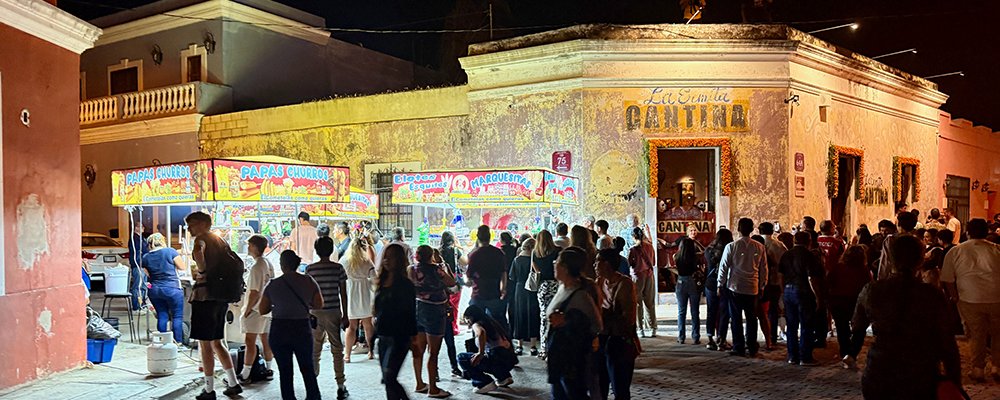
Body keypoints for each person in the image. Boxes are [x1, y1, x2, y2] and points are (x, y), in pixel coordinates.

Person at [847, 235, 961, 398]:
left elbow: (857, 325)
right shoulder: (931, 295)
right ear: (920, 260)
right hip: (921, 372)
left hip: (881, 369)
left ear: (890, 258)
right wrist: (954, 380)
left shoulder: (872, 290)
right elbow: (947, 342)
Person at [186, 212, 243, 399]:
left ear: (203, 224)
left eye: (192, 224)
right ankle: (233, 383)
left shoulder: (201, 239)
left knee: (205, 345)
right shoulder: (220, 241)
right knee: (218, 342)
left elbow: (198, 253)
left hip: (205, 297)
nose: (189, 229)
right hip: (221, 296)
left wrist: (201, 270)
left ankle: (209, 389)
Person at [260, 250, 324, 400]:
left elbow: (263, 309)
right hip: (301, 328)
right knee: (307, 367)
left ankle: (289, 398)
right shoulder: (309, 281)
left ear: (282, 265)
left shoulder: (273, 284)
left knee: (285, 370)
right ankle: (313, 396)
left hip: (279, 329)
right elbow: (319, 304)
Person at [942, 218, 1000, 381]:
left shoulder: (956, 251)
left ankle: (978, 369)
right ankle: (997, 367)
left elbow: (948, 278)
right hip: (997, 297)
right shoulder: (996, 250)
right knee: (998, 333)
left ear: (967, 232)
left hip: (969, 297)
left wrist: (955, 296)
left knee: (976, 334)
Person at [546, 247, 602, 400]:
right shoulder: (562, 288)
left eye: (556, 262)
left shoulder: (580, 294)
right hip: (559, 356)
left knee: (573, 394)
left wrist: (567, 321)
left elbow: (596, 325)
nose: (553, 264)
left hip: (572, 359)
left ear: (564, 267)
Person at [304, 237, 350, 399]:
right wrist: (346, 315)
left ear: (316, 250)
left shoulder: (310, 269)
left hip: (315, 313)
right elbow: (343, 293)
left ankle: (313, 385)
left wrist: (307, 312)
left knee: (315, 349)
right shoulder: (338, 268)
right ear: (332, 250)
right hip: (333, 312)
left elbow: (307, 293)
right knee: (337, 349)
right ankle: (340, 385)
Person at [409, 245, 456, 398]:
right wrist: (443, 267)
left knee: (418, 350)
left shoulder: (411, 269)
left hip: (417, 308)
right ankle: (433, 388)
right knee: (433, 352)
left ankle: (419, 383)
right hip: (435, 310)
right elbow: (451, 282)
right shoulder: (437, 270)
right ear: (431, 256)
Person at [717, 217, 767, 357]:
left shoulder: (731, 246)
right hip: (752, 287)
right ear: (752, 230)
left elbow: (724, 267)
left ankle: (738, 346)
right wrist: (762, 284)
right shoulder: (759, 247)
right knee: (752, 318)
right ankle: (752, 346)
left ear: (738, 229)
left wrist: (720, 284)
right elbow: (764, 269)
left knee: (736, 318)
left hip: (735, 286)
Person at [373, 244, 416, 400]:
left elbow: (410, 312)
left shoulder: (405, 285)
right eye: (385, 256)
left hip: (399, 338)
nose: (386, 260)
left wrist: (414, 339)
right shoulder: (382, 282)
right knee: (387, 380)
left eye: (391, 257)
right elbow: (377, 309)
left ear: (399, 260)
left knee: (390, 377)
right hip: (383, 336)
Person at [595, 248, 639, 400]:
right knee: (600, 385)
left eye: (597, 261)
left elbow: (627, 319)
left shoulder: (624, 284)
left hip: (619, 341)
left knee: (619, 387)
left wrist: (602, 313)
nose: (595, 265)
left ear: (606, 264)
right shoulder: (600, 281)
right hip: (602, 338)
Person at [778, 231, 825, 366]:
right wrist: (817, 296)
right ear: (809, 241)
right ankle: (805, 356)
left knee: (791, 325)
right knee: (806, 324)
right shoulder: (809, 255)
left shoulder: (786, 254)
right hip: (804, 291)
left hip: (788, 290)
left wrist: (783, 292)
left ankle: (792, 356)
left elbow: (780, 275)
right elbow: (811, 278)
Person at [457, 305, 517, 394]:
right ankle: (503, 377)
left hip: (497, 359)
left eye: (467, 319)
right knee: (488, 355)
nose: (467, 322)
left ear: (472, 317)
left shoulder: (477, 324)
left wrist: (480, 353)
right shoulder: (491, 322)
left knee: (462, 357)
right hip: (508, 361)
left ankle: (483, 383)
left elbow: (481, 333)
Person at [827, 245, 871, 366]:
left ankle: (844, 353)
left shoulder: (838, 268)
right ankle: (852, 354)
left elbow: (829, 282)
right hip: (855, 302)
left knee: (842, 329)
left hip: (838, 302)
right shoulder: (863, 270)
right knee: (859, 329)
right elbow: (867, 286)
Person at [239, 235, 274, 383]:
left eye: (249, 245)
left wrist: (246, 310)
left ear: (254, 246)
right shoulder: (267, 263)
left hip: (255, 310)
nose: (248, 247)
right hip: (267, 309)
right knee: (265, 340)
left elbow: (254, 292)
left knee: (250, 341)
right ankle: (268, 369)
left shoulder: (256, 267)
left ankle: (245, 374)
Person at [141, 233, 186, 345]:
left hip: (155, 290)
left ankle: (162, 341)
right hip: (172, 288)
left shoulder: (145, 257)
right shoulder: (170, 251)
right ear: (162, 241)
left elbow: (148, 274)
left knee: (162, 314)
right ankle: (178, 341)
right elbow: (182, 267)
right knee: (177, 316)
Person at [466, 225, 509, 332]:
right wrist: (503, 288)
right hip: (494, 292)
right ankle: (501, 345)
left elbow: (469, 276)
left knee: (477, 324)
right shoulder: (498, 253)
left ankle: (479, 346)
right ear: (490, 237)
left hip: (478, 292)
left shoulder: (474, 254)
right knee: (498, 323)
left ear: (478, 237)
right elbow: (503, 273)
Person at [341, 235, 376, 364]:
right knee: (368, 325)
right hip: (364, 294)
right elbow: (374, 278)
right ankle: (371, 351)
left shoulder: (344, 261)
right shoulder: (366, 261)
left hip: (350, 294)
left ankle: (347, 355)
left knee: (351, 327)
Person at [438, 231, 467, 378]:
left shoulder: (438, 252)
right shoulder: (456, 250)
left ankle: (435, 372)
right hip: (453, 279)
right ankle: (454, 327)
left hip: (435, 308)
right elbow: (465, 262)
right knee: (454, 306)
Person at [509, 238, 541, 355]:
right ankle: (533, 346)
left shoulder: (517, 260)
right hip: (532, 289)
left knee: (520, 315)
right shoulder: (535, 260)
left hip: (520, 289)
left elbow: (512, 276)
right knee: (533, 315)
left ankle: (519, 346)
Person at [533, 230, 561, 358]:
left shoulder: (535, 253)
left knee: (544, 317)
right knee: (557, 316)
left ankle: (544, 348)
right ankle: (556, 347)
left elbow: (537, 271)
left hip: (543, 286)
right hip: (556, 285)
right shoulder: (557, 251)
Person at [704, 229, 733, 351]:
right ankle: (721, 339)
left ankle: (710, 339)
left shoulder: (709, 250)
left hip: (710, 283)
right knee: (724, 312)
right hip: (724, 284)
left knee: (711, 311)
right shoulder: (729, 250)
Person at [758, 222, 786, 349]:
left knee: (757, 311)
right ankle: (773, 337)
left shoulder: (757, 244)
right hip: (775, 281)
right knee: (773, 310)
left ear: (759, 231)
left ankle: (757, 337)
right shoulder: (779, 245)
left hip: (759, 283)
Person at [628, 227, 657, 338]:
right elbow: (653, 262)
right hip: (649, 275)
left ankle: (640, 329)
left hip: (637, 278)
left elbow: (630, 263)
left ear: (633, 237)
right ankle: (652, 328)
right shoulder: (650, 247)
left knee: (637, 303)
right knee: (650, 302)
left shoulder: (633, 249)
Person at [673, 237, 702, 344]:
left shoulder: (677, 257)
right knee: (695, 311)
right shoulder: (694, 258)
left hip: (681, 282)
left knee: (681, 311)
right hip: (692, 282)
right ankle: (696, 337)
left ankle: (681, 337)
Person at [878, 212, 918, 280]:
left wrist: (880, 281)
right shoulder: (917, 241)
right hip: (912, 278)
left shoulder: (891, 239)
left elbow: (885, 263)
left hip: (894, 278)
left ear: (898, 224)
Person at [128, 218, 149, 312]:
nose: (143, 228)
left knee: (144, 285)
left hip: (143, 265)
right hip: (138, 265)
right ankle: (136, 305)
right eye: (141, 226)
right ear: (136, 228)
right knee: (137, 286)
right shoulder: (134, 239)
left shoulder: (141, 238)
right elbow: (138, 251)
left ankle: (143, 303)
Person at [499, 232, 518, 330]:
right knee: (513, 306)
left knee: (502, 306)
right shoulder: (515, 250)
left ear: (501, 240)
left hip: (504, 279)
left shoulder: (500, 252)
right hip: (514, 280)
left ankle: (504, 329)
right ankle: (513, 328)